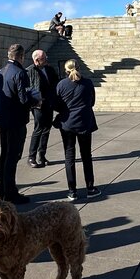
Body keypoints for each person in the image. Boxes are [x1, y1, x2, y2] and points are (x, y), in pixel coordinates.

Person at [0, 43, 40, 204]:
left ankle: (2, 189)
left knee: (4, 154)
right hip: (16, 120)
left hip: (4, 119)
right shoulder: (20, 73)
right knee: (13, 156)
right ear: (21, 56)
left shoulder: (2, 71)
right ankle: (10, 192)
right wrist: (36, 102)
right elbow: (23, 98)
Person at [54, 60, 99, 201]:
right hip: (84, 123)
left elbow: (57, 105)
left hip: (68, 124)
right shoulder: (88, 83)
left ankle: (72, 191)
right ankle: (90, 188)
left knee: (69, 157)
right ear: (79, 68)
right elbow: (92, 102)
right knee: (86, 156)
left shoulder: (61, 84)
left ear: (66, 71)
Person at [26, 49, 59, 168]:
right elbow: (27, 88)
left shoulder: (49, 69)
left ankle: (42, 155)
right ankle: (31, 157)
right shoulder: (30, 71)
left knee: (47, 128)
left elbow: (56, 82)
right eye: (44, 58)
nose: (46, 60)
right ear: (36, 60)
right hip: (37, 105)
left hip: (48, 103)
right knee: (38, 128)